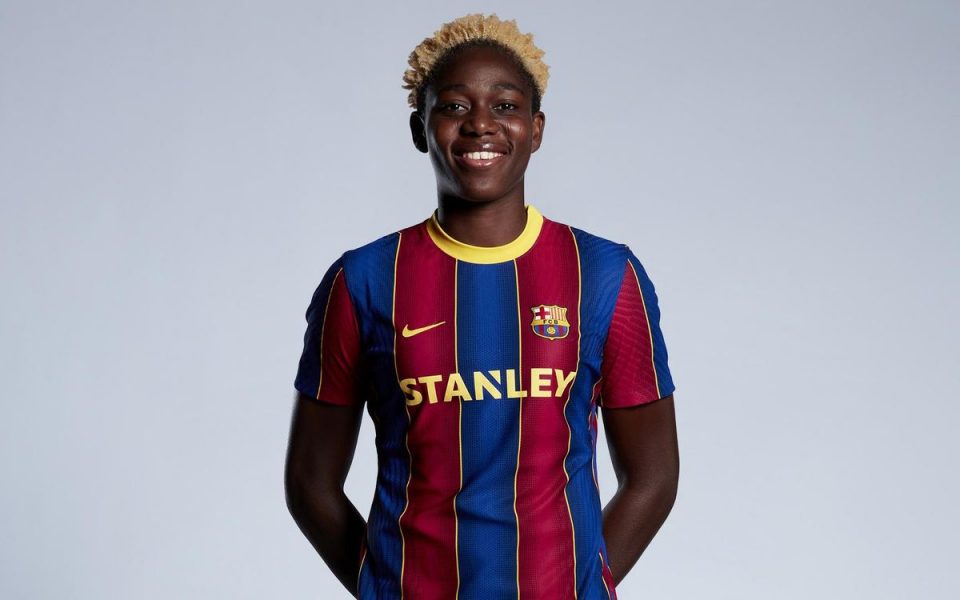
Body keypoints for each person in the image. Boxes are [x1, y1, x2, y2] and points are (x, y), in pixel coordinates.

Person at [284, 13, 679, 600]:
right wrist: (386, 586)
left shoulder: (603, 275)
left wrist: (580, 585)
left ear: (536, 129)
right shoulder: (362, 280)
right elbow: (309, 483)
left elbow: (654, 477)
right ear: (420, 128)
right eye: (453, 106)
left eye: (506, 106)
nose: (480, 124)